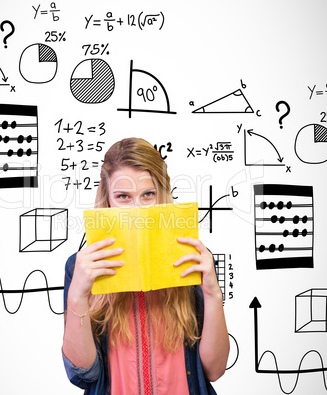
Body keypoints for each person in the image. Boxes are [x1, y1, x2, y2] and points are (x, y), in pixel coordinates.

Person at [62, 137, 229, 394]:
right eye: (123, 197)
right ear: (107, 200)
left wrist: (213, 294)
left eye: (147, 195)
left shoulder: (194, 258)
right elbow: (85, 373)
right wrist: (77, 295)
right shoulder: (81, 267)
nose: (137, 210)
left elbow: (214, 371)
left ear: (161, 196)